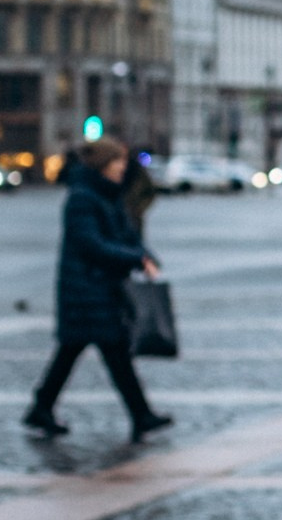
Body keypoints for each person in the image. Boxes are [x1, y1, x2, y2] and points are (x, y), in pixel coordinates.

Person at [23, 137, 172, 443]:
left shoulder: (108, 195)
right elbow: (91, 244)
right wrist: (136, 258)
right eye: (117, 162)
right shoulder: (83, 198)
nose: (122, 168)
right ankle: (140, 413)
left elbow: (126, 234)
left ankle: (42, 407)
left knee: (78, 352)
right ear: (103, 165)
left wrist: (144, 255)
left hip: (100, 288)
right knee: (110, 353)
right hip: (86, 289)